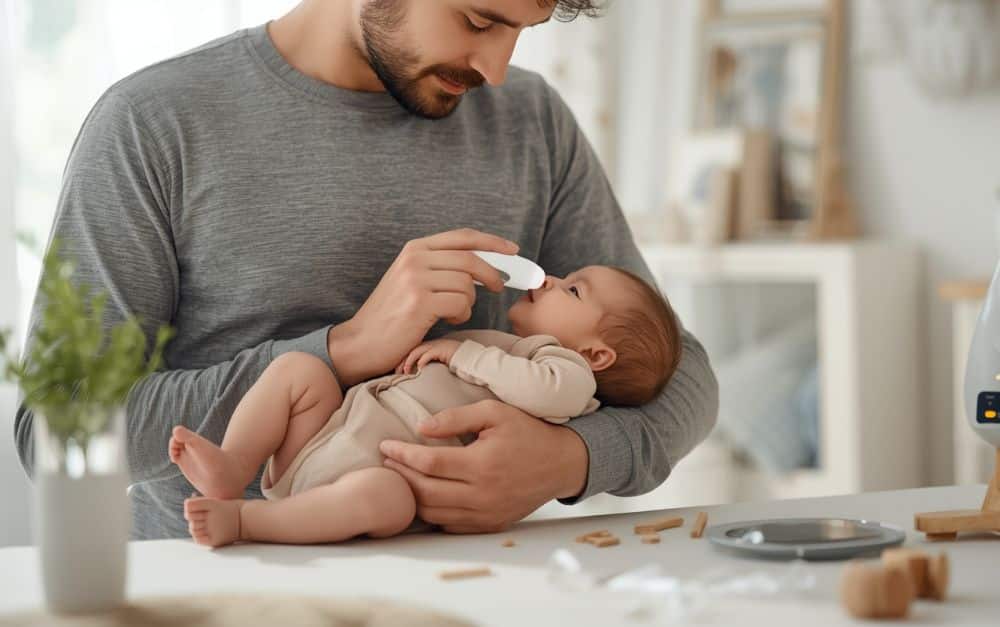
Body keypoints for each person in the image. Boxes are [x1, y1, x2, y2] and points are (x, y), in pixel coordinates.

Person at [14, 0, 719, 540]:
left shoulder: (530, 123)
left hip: (477, 592)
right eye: (478, 19)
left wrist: (568, 459)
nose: (497, 69)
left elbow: (678, 372)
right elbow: (53, 427)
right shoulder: (152, 125)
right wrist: (342, 348)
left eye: (521, 30)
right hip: (217, 589)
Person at [170, 266, 682, 547]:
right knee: (299, 372)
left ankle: (245, 521)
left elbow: (550, 392)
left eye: (572, 289)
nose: (548, 279)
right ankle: (233, 463)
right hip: (328, 434)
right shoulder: (509, 347)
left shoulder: (564, 373)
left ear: (595, 354)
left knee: (384, 497)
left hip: (376, 474)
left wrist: (466, 353)